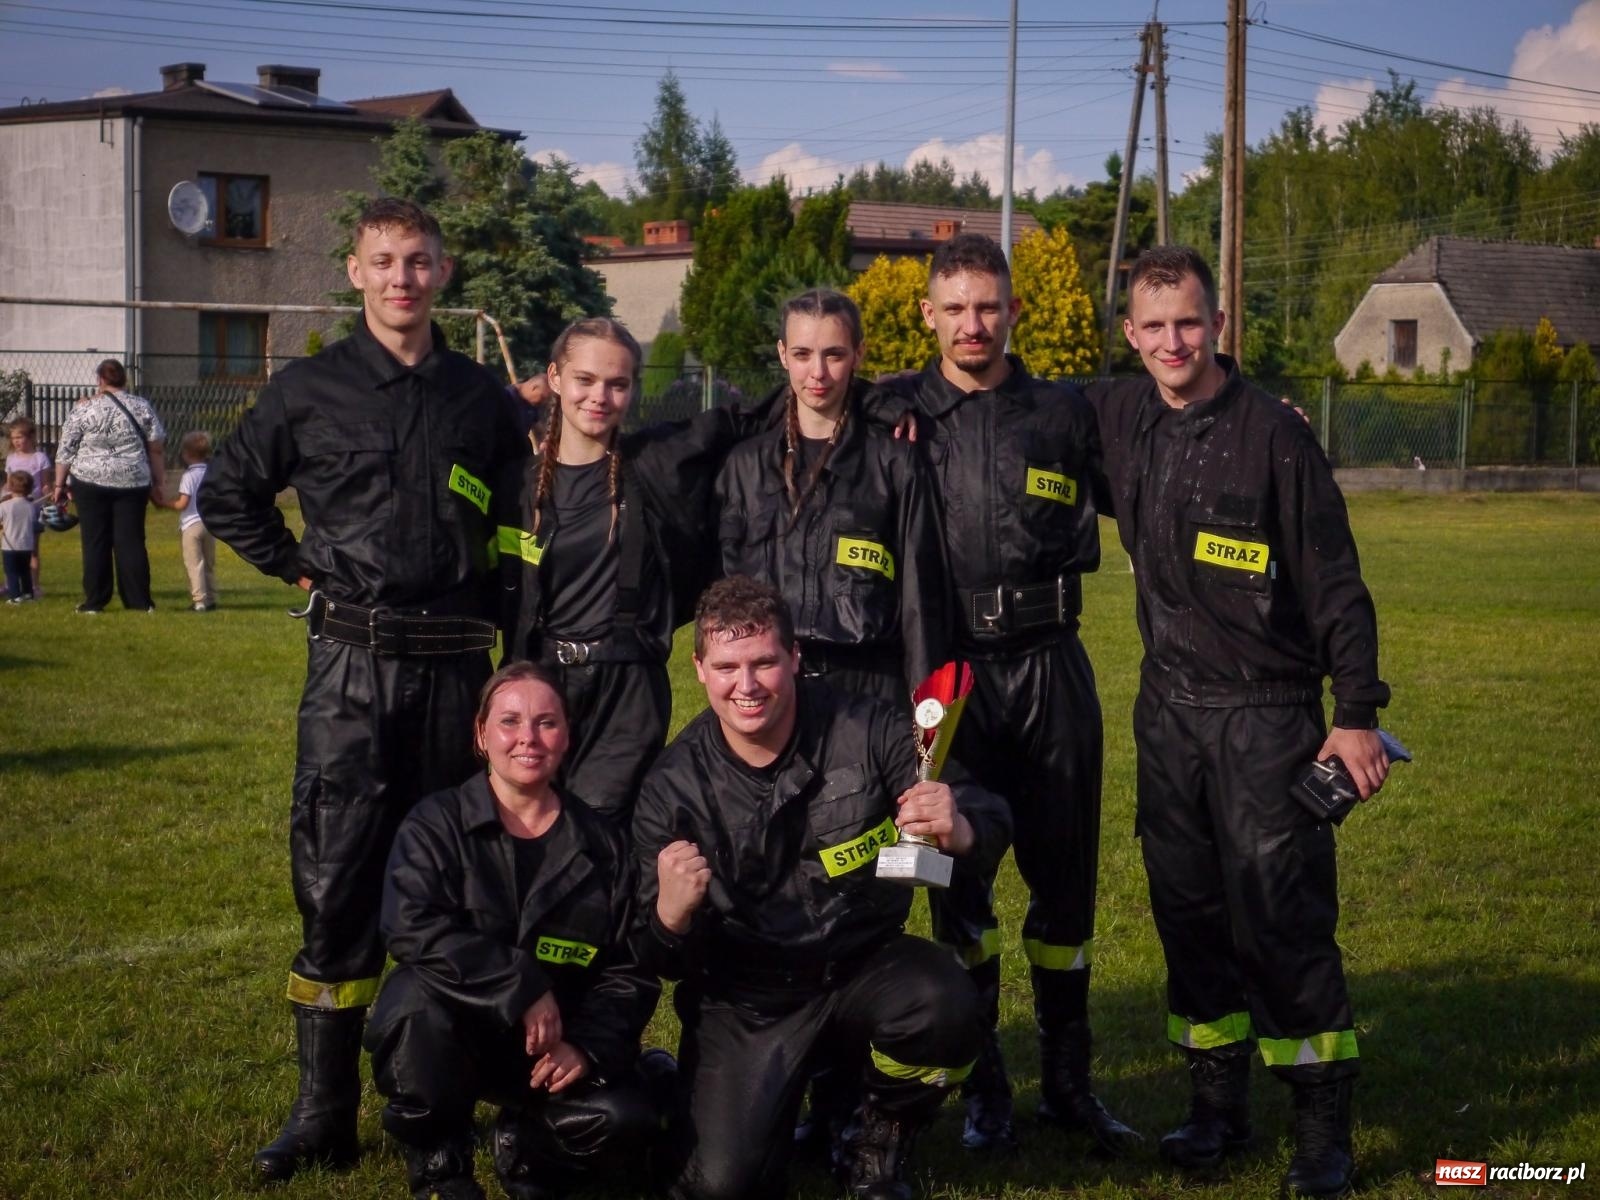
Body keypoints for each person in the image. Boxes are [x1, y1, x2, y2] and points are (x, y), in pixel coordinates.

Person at [202, 197, 528, 1184]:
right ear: (354, 272)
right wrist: (304, 572)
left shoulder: (482, 400)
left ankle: (456, 1096)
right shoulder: (310, 389)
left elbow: (516, 536)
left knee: (461, 886)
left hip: (455, 677)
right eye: (384, 261)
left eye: (419, 261)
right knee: (336, 887)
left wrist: (520, 641)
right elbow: (228, 495)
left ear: (444, 271)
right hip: (349, 673)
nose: (402, 279)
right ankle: (323, 1114)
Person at [1086, 245, 1390, 1199]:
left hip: (1267, 721)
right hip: (1168, 719)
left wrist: (1357, 719)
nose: (1173, 342)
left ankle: (1320, 1132)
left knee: (1282, 923)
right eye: (1154, 326)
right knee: (1188, 919)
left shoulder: (1275, 437)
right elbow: (1007, 395)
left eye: (1190, 322)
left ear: (1218, 325)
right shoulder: (1122, 416)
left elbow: (1337, 588)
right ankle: (1216, 1110)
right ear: (1131, 336)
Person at [878, 232, 1136, 1154]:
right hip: (953, 684)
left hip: (1053, 667)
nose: (973, 323)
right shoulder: (896, 412)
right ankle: (984, 1082)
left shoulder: (1068, 413)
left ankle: (1069, 1083)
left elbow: (1167, 459)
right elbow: (794, 416)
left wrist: (1278, 426)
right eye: (955, 308)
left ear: (1015, 311)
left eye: (989, 306)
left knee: (1065, 889)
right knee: (957, 885)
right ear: (928, 317)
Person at [631, 576, 1012, 1200]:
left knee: (948, 1008)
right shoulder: (672, 788)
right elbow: (649, 955)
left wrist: (960, 826)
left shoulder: (868, 727)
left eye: (764, 663)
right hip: (749, 999)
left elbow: (986, 814)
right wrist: (668, 919)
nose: (746, 686)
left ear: (795, 659)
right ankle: (689, 1088)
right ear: (699, 669)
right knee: (723, 1186)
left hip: (863, 962)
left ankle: (878, 1136)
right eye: (727, 666)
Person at [364, 662, 664, 1200]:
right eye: (509, 721)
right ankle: (440, 1165)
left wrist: (588, 1050)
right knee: (410, 1000)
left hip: (554, 1050)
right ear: (481, 735)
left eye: (546, 723)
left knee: (626, 1121)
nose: (527, 737)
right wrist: (520, 981)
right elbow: (409, 927)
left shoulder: (605, 846)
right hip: (458, 1037)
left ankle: (528, 1147)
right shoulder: (436, 824)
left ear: (567, 736)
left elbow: (630, 970)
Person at [494, 317, 774, 826]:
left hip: (626, 691)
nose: (599, 396)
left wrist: (882, 403)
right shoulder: (515, 486)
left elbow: (766, 413)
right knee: (531, 827)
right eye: (585, 380)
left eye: (617, 384)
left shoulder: (657, 463)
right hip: (539, 682)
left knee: (597, 829)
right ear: (555, 379)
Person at [714, 289, 950, 707]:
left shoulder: (895, 461)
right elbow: (727, 596)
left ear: (859, 354)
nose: (817, 372)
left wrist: (925, 707)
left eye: (834, 354)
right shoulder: (744, 465)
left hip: (870, 689)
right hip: (773, 690)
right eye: (803, 354)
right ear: (783, 354)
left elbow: (920, 598)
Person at [50, 359, 165, 614]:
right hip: (133, 479)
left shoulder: (84, 408)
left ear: (99, 380)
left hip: (90, 480)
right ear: (124, 380)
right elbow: (155, 448)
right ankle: (139, 602)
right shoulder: (141, 406)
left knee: (95, 541)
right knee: (132, 540)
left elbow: (66, 449)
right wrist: (159, 481)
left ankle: (95, 601)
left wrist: (59, 484)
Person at [157, 430, 217, 612]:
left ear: (187, 454)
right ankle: (211, 598)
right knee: (208, 563)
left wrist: (163, 503)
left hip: (191, 524)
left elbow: (183, 503)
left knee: (194, 563)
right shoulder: (211, 473)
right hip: (210, 524)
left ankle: (199, 600)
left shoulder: (188, 476)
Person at [6, 417, 50, 595]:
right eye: (14, 438)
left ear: (31, 437)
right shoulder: (11, 458)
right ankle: (11, 584)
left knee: (32, 550)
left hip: (33, 509)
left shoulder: (40, 458)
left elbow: (46, 484)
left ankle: (34, 585)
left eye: (20, 437)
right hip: (13, 511)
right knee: (11, 549)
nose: (16, 441)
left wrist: (49, 495)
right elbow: (8, 485)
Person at [2, 469, 37, 602]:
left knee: (11, 572)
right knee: (24, 571)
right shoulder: (31, 506)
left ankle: (15, 596)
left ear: (10, 486)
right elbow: (34, 522)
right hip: (26, 544)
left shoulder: (5, 506)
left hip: (10, 546)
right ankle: (28, 594)